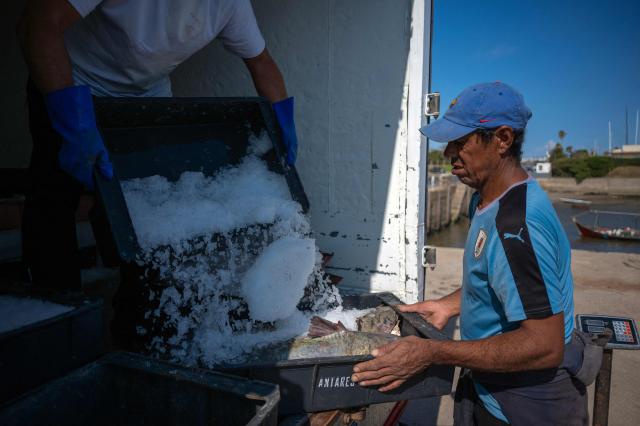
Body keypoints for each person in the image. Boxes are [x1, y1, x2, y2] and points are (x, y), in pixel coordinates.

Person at [351, 82, 591, 425]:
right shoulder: (484, 200)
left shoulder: (517, 225)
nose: (449, 152)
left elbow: (545, 344)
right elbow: (499, 280)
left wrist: (435, 353)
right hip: (489, 385)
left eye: (460, 142)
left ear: (503, 139)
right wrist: (448, 305)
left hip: (526, 406)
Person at [17, 0, 298, 291]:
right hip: (70, 83)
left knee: (139, 201)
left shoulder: (230, 4)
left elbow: (261, 62)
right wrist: (72, 121)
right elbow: (38, 24)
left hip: (142, 98)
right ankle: (56, 302)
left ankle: (132, 299)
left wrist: (282, 120)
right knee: (56, 195)